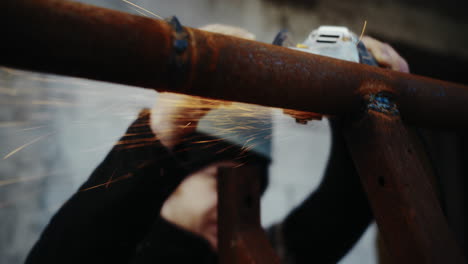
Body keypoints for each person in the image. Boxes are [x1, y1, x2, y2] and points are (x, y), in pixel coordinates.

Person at [25, 25, 409, 264]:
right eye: (216, 179)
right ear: (170, 179)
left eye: (256, 188)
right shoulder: (120, 252)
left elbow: (345, 205)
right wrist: (164, 124)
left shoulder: (263, 252)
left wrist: (360, 95)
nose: (237, 199)